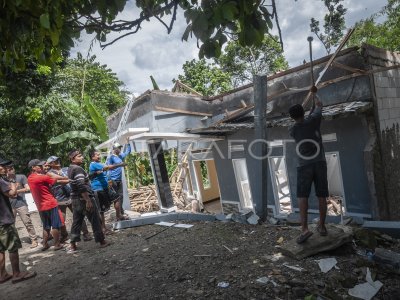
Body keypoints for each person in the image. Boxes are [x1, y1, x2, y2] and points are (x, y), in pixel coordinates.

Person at [288, 91, 328, 244]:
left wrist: (310, 109)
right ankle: (322, 227)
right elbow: (319, 106)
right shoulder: (314, 120)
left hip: (304, 166)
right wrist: (315, 94)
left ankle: (304, 229)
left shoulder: (292, 130)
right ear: (304, 113)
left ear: (292, 117)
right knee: (321, 195)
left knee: (302, 196)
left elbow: (304, 121)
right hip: (320, 163)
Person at [0, 157, 36, 284]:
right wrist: (13, 185)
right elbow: (12, 194)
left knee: (1, 249)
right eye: (3, 166)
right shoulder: (2, 181)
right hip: (4, 220)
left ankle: (2, 274)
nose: (5, 169)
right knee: (12, 247)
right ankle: (17, 274)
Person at [67, 150, 110, 253]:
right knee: (95, 220)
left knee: (77, 222)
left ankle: (73, 245)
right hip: (84, 198)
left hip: (75, 199)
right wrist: (88, 200)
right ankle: (102, 241)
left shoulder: (70, 168)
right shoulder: (77, 169)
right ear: (73, 159)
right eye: (79, 156)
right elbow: (81, 185)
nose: (82, 157)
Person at [46, 156, 91, 242]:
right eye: (55, 161)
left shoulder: (66, 169)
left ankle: (86, 233)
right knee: (61, 219)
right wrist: (71, 179)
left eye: (58, 160)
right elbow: (58, 178)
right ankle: (64, 235)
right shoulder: (49, 173)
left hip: (72, 196)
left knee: (79, 215)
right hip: (60, 199)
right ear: (51, 164)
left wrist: (72, 179)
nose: (58, 162)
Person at [27, 159, 68, 251]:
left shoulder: (29, 178)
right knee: (55, 225)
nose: (42, 167)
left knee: (46, 226)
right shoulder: (42, 177)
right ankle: (57, 244)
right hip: (50, 203)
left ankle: (45, 244)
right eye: (40, 166)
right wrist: (69, 179)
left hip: (41, 206)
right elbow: (57, 180)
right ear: (33, 167)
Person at [89, 150, 126, 231]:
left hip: (105, 187)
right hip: (98, 189)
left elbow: (105, 171)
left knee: (117, 198)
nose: (99, 156)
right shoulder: (93, 165)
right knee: (101, 210)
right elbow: (108, 167)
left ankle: (118, 215)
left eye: (99, 154)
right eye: (97, 155)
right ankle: (103, 228)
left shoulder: (98, 164)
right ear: (92, 157)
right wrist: (120, 164)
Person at [6, 165, 39, 248]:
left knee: (27, 222)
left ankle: (34, 239)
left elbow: (28, 188)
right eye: (8, 169)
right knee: (10, 225)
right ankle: (12, 241)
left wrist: (16, 191)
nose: (11, 170)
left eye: (12, 168)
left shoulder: (21, 177)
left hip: (21, 204)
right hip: (9, 205)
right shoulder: (3, 180)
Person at [106, 142, 131, 217]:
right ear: (114, 149)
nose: (120, 149)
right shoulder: (111, 157)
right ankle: (119, 214)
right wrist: (109, 180)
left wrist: (128, 143)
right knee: (116, 197)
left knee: (121, 195)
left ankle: (121, 211)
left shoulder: (120, 156)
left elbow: (127, 152)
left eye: (120, 148)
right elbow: (108, 168)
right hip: (113, 180)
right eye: (118, 148)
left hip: (119, 180)